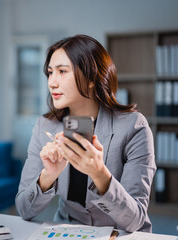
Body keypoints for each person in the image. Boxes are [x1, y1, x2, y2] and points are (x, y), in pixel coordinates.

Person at [15, 34, 156, 233]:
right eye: (50, 72)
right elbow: (23, 209)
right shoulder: (44, 126)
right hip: (68, 234)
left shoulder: (133, 127)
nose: (52, 82)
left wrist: (99, 174)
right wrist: (48, 176)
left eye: (62, 71)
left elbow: (135, 221)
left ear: (91, 78)